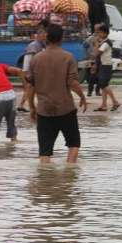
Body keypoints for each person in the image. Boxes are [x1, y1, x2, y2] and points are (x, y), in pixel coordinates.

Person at [28, 24, 88, 164]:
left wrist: (32, 107)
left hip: (44, 110)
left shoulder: (36, 59)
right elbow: (72, 82)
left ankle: (46, 180)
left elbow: (31, 86)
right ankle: (70, 174)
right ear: (62, 39)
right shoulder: (68, 57)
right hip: (65, 108)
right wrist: (82, 97)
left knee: (44, 152)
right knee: (74, 144)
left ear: (46, 38)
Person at [19, 24, 47, 113]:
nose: (44, 38)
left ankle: (21, 105)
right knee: (31, 88)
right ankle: (28, 106)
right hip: (30, 72)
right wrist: (28, 73)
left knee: (29, 88)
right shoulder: (34, 45)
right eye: (43, 36)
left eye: (45, 36)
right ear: (38, 36)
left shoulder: (41, 45)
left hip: (32, 71)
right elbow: (30, 61)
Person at [94, 24, 121, 112]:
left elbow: (97, 53)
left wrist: (96, 44)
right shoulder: (104, 42)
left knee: (103, 84)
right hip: (104, 65)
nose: (99, 34)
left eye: (100, 32)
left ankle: (115, 102)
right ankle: (104, 105)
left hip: (106, 65)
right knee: (103, 85)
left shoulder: (106, 43)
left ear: (105, 33)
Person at [83, 24, 101, 97]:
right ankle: (92, 91)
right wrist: (88, 54)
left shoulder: (95, 38)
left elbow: (84, 45)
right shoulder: (92, 38)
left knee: (96, 76)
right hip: (94, 59)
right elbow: (84, 45)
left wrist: (87, 54)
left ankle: (93, 91)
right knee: (93, 76)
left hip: (97, 59)